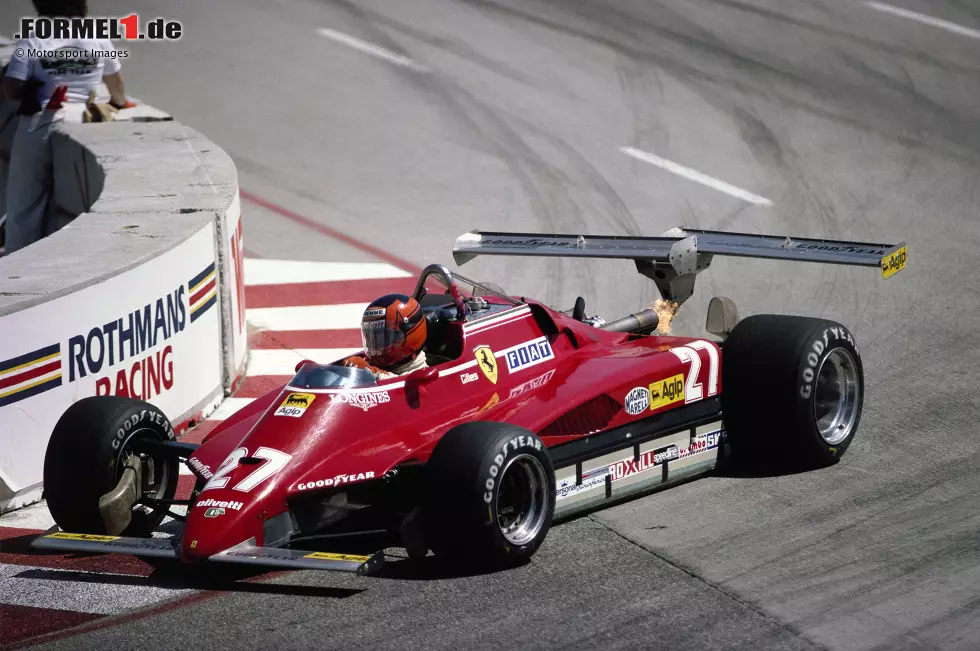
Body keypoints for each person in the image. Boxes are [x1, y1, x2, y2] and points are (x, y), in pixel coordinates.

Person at [2, 0, 132, 254]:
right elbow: (116, 82)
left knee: (24, 204)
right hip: (82, 124)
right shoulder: (97, 39)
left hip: (39, 123)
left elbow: (12, 89)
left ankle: (18, 264)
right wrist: (118, 103)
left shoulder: (33, 40)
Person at [341, 294, 429, 379]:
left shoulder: (422, 376)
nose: (376, 344)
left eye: (383, 338)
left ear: (410, 337)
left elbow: (397, 381)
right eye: (372, 336)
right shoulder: (374, 364)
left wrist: (367, 370)